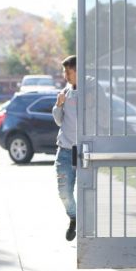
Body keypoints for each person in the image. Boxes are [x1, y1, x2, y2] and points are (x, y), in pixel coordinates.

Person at [53, 55, 78, 241]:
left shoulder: (90, 92)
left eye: (68, 71)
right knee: (64, 192)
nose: (66, 75)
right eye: (64, 71)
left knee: (89, 192)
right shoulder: (65, 92)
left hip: (85, 151)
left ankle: (86, 224)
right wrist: (58, 104)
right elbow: (59, 120)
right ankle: (74, 218)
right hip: (65, 151)